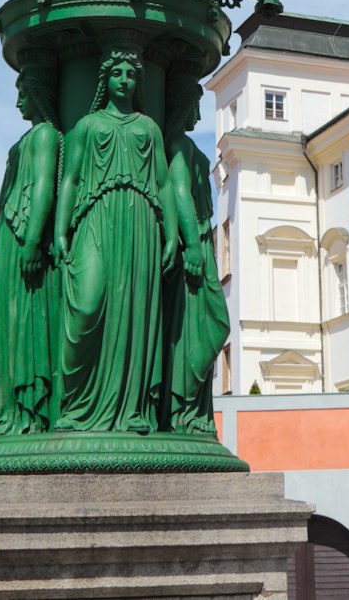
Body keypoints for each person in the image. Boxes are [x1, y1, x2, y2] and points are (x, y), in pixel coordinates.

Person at [55, 46, 178, 433]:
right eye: (118, 73)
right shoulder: (88, 126)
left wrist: (172, 233)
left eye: (131, 74)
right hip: (95, 218)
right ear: (104, 80)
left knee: (135, 310)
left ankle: (132, 408)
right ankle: (76, 407)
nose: (125, 80)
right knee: (88, 306)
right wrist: (61, 229)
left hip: (141, 224)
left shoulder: (148, 128)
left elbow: (163, 182)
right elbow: (71, 179)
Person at [0, 54, 61, 435]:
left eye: (23, 92)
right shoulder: (25, 139)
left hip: (24, 239)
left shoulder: (46, 135)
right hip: (9, 240)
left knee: (25, 321)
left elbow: (45, 185)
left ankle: (27, 412)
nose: (18, 102)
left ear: (39, 92)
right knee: (5, 324)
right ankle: (8, 411)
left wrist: (33, 240)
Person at [161, 77, 230, 435]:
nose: (197, 111)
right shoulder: (177, 145)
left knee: (209, 324)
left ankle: (192, 411)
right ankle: (181, 409)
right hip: (196, 246)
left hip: (204, 241)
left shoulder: (187, 145)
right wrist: (191, 245)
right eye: (192, 104)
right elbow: (178, 192)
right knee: (206, 324)